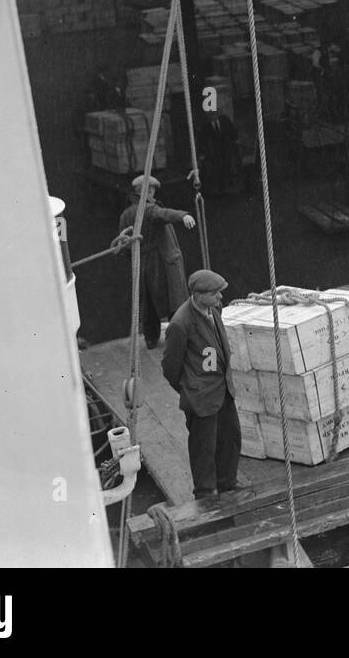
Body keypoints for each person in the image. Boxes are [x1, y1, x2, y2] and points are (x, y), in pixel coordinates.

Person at [162, 269, 241, 500]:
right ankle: (205, 493)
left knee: (231, 437)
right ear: (198, 295)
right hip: (200, 396)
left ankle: (227, 483)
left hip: (223, 389)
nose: (220, 298)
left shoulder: (213, 310)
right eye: (215, 294)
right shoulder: (180, 324)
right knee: (203, 447)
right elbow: (170, 367)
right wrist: (190, 387)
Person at [118, 174, 195, 348]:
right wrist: (183, 216)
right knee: (174, 298)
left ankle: (151, 339)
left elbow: (123, 245)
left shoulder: (125, 215)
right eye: (152, 192)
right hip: (160, 262)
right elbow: (162, 213)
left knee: (148, 303)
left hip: (141, 264)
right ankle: (180, 337)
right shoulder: (148, 209)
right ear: (149, 191)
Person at [199, 109, 243, 195]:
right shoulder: (206, 125)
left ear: (218, 114)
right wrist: (202, 153)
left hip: (226, 148)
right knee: (217, 168)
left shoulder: (224, 120)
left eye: (214, 115)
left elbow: (232, 130)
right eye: (211, 115)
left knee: (228, 165)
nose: (213, 117)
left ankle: (229, 185)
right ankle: (219, 188)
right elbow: (202, 140)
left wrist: (236, 139)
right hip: (214, 151)